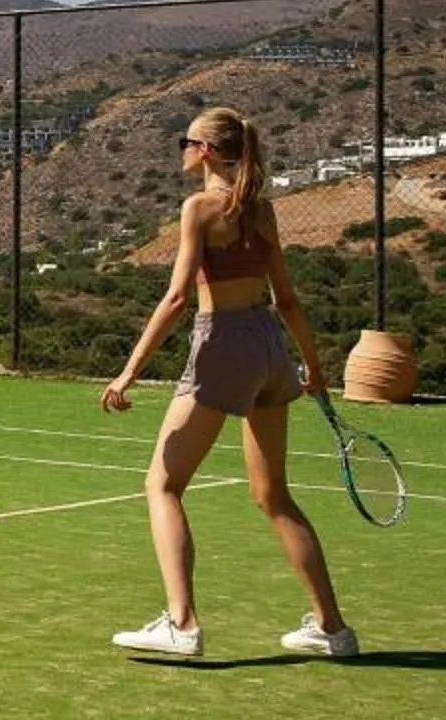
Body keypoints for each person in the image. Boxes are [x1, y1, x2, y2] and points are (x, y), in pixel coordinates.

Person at [99, 107, 358, 660]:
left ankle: (181, 623)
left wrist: (129, 372)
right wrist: (313, 366)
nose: (180, 150)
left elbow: (175, 300)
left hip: (222, 347)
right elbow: (285, 299)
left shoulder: (199, 209)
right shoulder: (262, 211)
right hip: (269, 349)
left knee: (162, 485)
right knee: (274, 495)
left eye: (185, 141)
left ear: (208, 152)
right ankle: (333, 629)